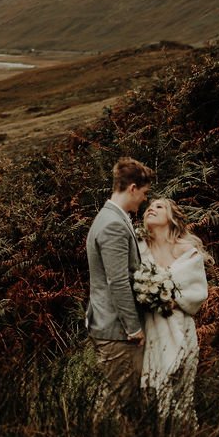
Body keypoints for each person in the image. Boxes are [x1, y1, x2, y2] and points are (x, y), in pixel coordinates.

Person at [85, 157, 154, 409]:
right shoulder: (113, 224)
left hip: (109, 324)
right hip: (117, 330)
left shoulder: (113, 217)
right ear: (132, 188)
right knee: (117, 403)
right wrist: (133, 328)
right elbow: (118, 282)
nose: (145, 199)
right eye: (144, 193)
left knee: (118, 400)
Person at [139, 196, 209, 423]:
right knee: (150, 392)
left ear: (172, 218)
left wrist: (169, 299)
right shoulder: (139, 249)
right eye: (149, 207)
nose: (151, 209)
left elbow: (197, 292)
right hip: (147, 329)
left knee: (181, 391)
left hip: (179, 325)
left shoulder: (188, 251)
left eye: (159, 207)